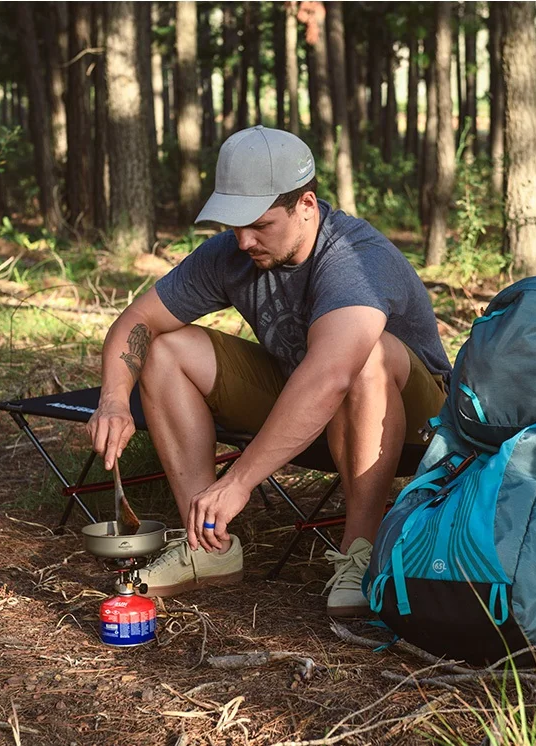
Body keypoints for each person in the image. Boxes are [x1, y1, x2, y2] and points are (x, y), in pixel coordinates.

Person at [87, 126, 451, 617]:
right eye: (234, 224)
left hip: (413, 424)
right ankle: (207, 545)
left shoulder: (356, 260)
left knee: (365, 355)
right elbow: (136, 321)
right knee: (164, 348)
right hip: (309, 402)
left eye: (259, 224)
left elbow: (330, 376)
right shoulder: (236, 250)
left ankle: (361, 552)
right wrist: (112, 398)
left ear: (306, 204)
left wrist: (237, 481)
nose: (243, 240)